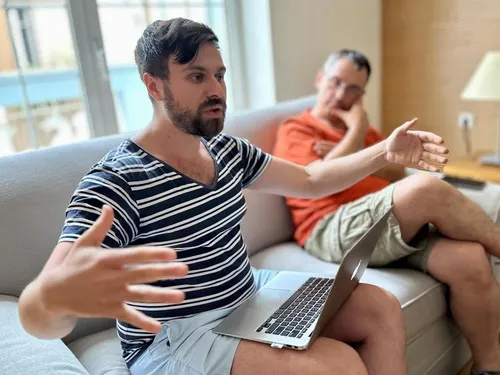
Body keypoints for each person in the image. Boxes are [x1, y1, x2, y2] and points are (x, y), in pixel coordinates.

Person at [17, 20, 448, 375]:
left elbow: (312, 179)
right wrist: (54, 299)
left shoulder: (225, 149)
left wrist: (384, 151)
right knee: (339, 365)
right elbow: (39, 308)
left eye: (219, 75)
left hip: (246, 294)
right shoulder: (118, 180)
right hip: (175, 337)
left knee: (381, 306)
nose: (216, 90)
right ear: (154, 86)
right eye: (197, 76)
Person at [273, 49, 500, 375]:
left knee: (470, 259)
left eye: (353, 89)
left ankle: (489, 367)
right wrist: (356, 131)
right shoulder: (297, 127)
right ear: (320, 79)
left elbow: (395, 172)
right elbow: (318, 181)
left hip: (386, 224)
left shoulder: (365, 135)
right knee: (424, 189)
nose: (341, 95)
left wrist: (357, 150)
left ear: (362, 94)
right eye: (336, 82)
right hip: (329, 226)